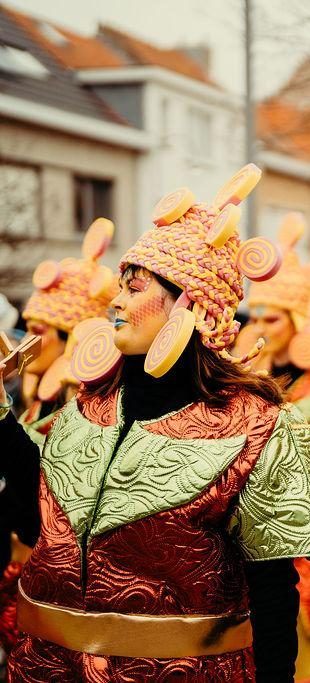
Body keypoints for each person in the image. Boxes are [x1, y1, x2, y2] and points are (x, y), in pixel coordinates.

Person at [0, 164, 310, 681]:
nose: (115, 300)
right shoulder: (84, 409)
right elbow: (39, 529)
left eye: (134, 288)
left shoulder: (254, 426)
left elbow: (272, 594)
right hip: (46, 668)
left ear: (188, 304)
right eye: (120, 286)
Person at [0, 218, 119, 666]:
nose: (26, 341)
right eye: (25, 325)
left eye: (41, 328)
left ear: (74, 339)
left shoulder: (89, 413)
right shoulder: (31, 402)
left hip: (59, 584)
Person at [239, 212, 310, 681]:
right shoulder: (245, 378)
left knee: (300, 637)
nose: (264, 324)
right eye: (257, 315)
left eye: (274, 316)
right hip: (253, 526)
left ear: (296, 320)